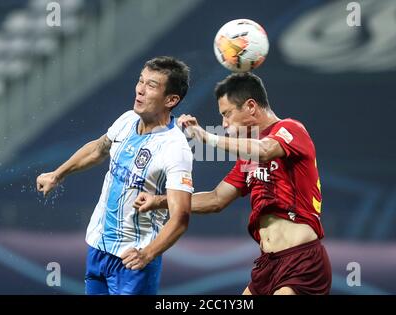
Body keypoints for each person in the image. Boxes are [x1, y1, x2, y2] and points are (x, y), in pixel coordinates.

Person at [134, 72, 332, 295]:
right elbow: (216, 199)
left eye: (227, 114)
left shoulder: (291, 129)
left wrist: (207, 137)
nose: (224, 123)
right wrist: (158, 201)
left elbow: (266, 150)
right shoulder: (248, 158)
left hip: (301, 261)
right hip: (268, 264)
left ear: (250, 106)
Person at [36, 56, 194, 295]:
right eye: (140, 81)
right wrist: (58, 175)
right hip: (98, 247)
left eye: (151, 86)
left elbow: (181, 216)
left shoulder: (175, 148)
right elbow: (98, 149)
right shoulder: (127, 120)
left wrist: (148, 254)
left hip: (134, 259)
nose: (140, 90)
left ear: (171, 100)